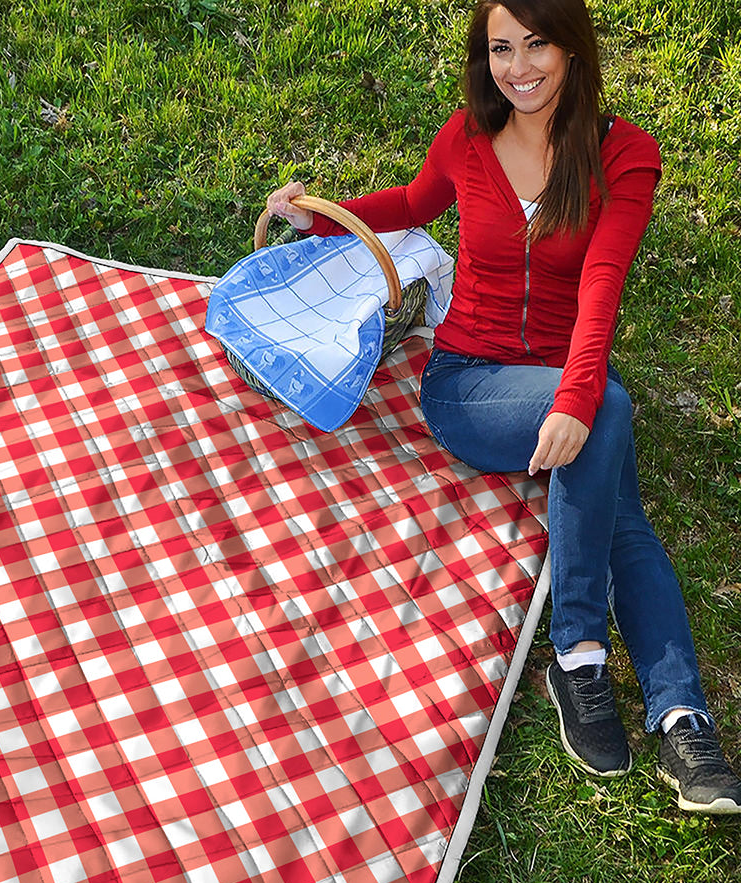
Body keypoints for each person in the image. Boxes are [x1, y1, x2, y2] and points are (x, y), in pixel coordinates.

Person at [265, 0, 741, 814]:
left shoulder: (624, 156)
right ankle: (586, 655)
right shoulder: (467, 137)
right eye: (500, 49)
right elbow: (413, 205)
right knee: (611, 420)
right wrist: (321, 221)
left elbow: (602, 284)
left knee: (616, 479)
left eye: (537, 44)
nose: (518, 67)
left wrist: (578, 396)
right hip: (468, 385)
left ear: (572, 48)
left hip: (561, 377)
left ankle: (675, 714)